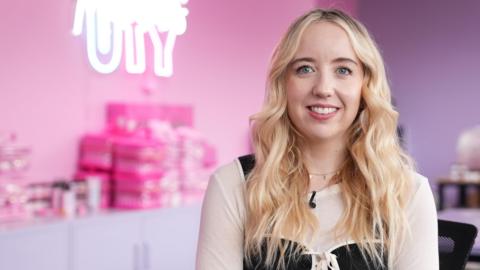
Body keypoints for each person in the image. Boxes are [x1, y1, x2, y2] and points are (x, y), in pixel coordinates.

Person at [196, 8, 438, 270]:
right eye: (305, 69)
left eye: (343, 70)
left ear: (364, 86)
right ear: (283, 83)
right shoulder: (234, 185)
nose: (323, 88)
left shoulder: (406, 193)